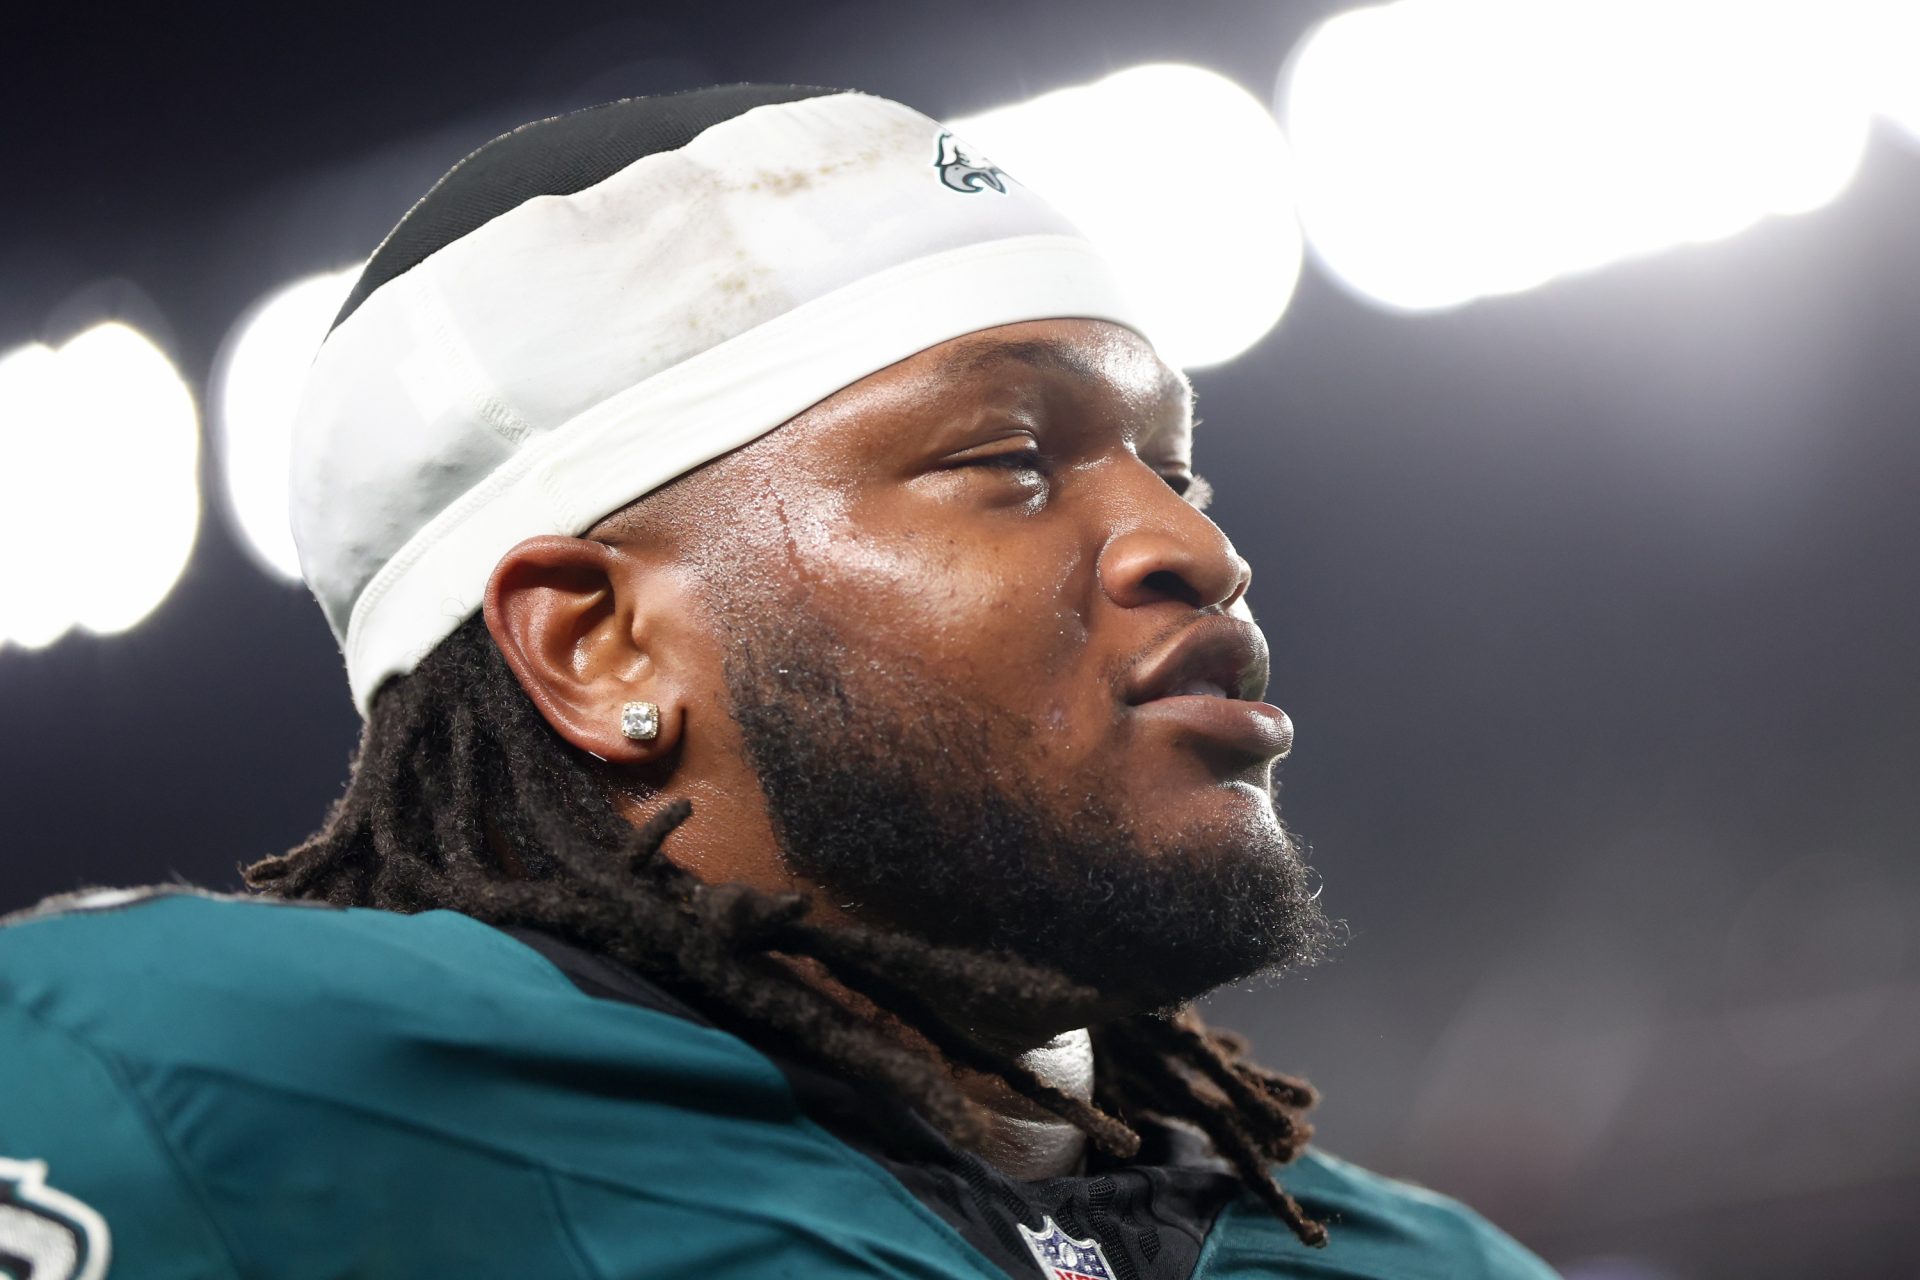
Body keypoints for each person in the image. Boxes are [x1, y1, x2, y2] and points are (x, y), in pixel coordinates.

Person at [0, 85, 1558, 1279]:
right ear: (598, 643)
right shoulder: (176, 1086)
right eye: (1010, 462)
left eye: (1177, 473)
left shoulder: (1432, 1262)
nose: (1187, 549)